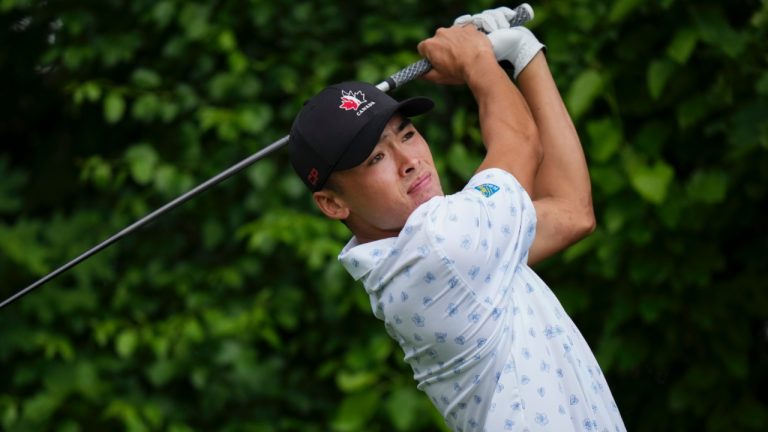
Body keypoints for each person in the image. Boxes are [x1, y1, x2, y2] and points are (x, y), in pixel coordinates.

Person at [288, 6, 626, 432]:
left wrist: (524, 55)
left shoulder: (442, 259)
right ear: (333, 204)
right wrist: (478, 61)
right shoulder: (439, 246)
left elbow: (572, 211)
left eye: (407, 134)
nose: (409, 161)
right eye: (375, 157)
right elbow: (520, 141)